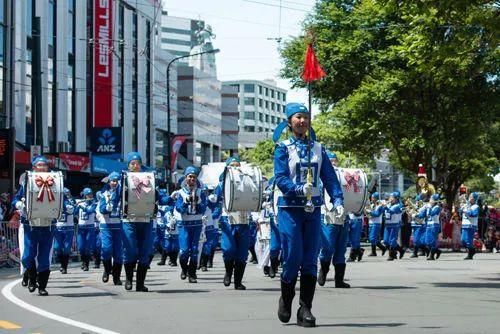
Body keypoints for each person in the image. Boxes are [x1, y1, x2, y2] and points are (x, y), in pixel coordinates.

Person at [273, 103, 344, 327]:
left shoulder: (318, 148)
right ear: (289, 122)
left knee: (310, 259)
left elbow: (330, 178)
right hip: (290, 209)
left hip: (313, 209)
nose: (302, 121)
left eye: (305, 117)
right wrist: (296, 189)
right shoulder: (283, 148)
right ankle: (286, 297)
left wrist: (338, 199)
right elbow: (280, 177)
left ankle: (306, 309)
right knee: (293, 256)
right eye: (298, 117)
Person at [122, 152, 170, 291]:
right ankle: (129, 279)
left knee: (145, 251)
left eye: (138, 163)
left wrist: (172, 198)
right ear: (128, 165)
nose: (135, 165)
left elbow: (160, 198)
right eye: (132, 163)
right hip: (129, 219)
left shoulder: (149, 178)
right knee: (130, 250)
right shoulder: (124, 178)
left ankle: (140, 284)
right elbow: (117, 197)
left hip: (146, 219)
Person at [11, 156, 58, 296]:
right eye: (39, 165)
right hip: (30, 224)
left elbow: (62, 198)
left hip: (48, 224)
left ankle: (42, 286)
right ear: (34, 167)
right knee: (27, 256)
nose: (42, 167)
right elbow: (16, 198)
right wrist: (19, 203)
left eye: (44, 165)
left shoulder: (55, 180)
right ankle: (32, 278)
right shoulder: (28, 181)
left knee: (44, 257)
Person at [215, 157, 253, 290]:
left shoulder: (247, 181)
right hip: (228, 219)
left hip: (244, 219)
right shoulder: (221, 184)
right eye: (232, 166)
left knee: (242, 253)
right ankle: (228, 272)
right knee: (229, 249)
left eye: (237, 166)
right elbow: (215, 200)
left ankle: (238, 282)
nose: (235, 169)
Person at [174, 166, 207, 283]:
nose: (192, 179)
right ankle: (184, 269)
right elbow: (178, 208)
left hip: (196, 224)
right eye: (190, 177)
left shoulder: (200, 192)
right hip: (184, 224)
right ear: (185, 178)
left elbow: (203, 208)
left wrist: (197, 203)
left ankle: (192, 273)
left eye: (194, 177)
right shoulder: (181, 193)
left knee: (194, 250)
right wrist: (185, 203)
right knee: (184, 250)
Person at [97, 172, 123, 285]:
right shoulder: (104, 193)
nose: (114, 183)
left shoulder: (122, 193)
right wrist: (106, 208)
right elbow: (101, 209)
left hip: (119, 226)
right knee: (106, 249)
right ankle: (107, 270)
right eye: (113, 181)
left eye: (117, 181)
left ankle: (116, 277)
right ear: (109, 181)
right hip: (106, 225)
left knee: (118, 253)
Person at [53, 188, 76, 274]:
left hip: (68, 228)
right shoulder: (55, 202)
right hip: (58, 228)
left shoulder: (71, 202)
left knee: (66, 248)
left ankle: (64, 266)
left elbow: (72, 211)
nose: (66, 195)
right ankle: (62, 263)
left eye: (67, 194)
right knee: (57, 247)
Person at [76, 188, 97, 272]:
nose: (90, 196)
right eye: (88, 195)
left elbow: (90, 211)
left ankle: (86, 264)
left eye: (91, 194)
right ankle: (83, 261)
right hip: (81, 227)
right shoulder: (80, 203)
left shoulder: (94, 203)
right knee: (81, 247)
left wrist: (81, 206)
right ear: (84, 195)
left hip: (90, 228)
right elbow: (73, 212)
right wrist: (75, 205)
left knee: (87, 247)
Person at [199, 186, 219, 272]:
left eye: (205, 191)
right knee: (198, 244)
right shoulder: (196, 199)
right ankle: (197, 262)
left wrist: (210, 216)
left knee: (207, 245)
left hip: (209, 225)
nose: (204, 193)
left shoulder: (210, 200)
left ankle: (205, 263)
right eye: (202, 191)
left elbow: (217, 209)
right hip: (198, 224)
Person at [383, 191, 405, 261]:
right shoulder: (389, 205)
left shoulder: (397, 206)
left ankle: (391, 255)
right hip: (387, 225)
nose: (390, 199)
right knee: (386, 241)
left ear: (396, 199)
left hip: (394, 225)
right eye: (390, 197)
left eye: (392, 197)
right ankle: (400, 250)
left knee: (392, 240)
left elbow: (391, 211)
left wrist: (385, 207)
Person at [461, 192, 480, 260]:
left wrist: (467, 211)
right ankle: (472, 250)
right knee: (463, 240)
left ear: (474, 199)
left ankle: (470, 254)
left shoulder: (476, 206)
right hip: (464, 224)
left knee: (468, 241)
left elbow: (473, 214)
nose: (470, 198)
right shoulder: (466, 205)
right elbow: (460, 211)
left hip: (471, 225)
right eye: (469, 196)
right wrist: (462, 207)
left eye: (471, 197)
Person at [424, 194, 442, 260]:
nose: (429, 200)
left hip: (434, 225)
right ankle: (437, 251)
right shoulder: (429, 207)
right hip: (428, 225)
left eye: (431, 199)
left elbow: (432, 213)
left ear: (435, 200)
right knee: (427, 241)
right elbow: (423, 214)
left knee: (432, 240)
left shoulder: (437, 207)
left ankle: (431, 255)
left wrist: (429, 207)